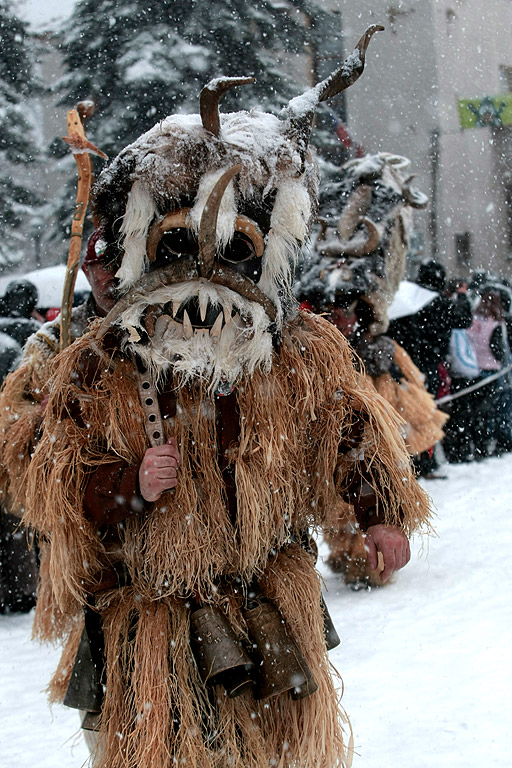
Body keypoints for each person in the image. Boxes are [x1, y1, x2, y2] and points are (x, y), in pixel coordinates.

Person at [19, 56, 431, 768]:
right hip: (150, 619)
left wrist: (381, 513)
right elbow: (46, 481)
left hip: (267, 604)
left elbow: (348, 434)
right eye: (175, 246)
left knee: (274, 754)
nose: (205, 281)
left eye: (234, 253)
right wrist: (129, 486)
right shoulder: (98, 363)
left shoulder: (298, 356)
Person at [296, 152, 443, 586]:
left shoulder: (377, 346)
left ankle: (374, 549)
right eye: (330, 307)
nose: (337, 315)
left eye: (345, 308)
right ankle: (349, 550)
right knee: (336, 488)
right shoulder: (314, 347)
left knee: (369, 468)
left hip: (370, 402)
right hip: (329, 406)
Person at [0, 233, 118, 614]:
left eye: (116, 264)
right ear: (86, 271)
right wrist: (49, 412)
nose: (110, 276)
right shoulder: (53, 339)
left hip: (135, 501)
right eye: (101, 267)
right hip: (82, 507)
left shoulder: (146, 329)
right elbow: (17, 417)